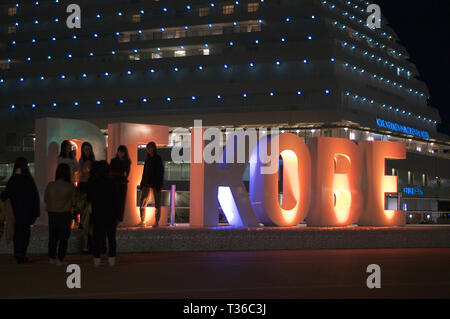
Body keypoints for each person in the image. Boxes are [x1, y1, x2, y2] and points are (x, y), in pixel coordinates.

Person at [0, 157, 40, 264]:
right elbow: (34, 197)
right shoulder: (29, 180)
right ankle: (22, 254)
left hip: (15, 213)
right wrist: (35, 213)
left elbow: (4, 196)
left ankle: (17, 254)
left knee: (17, 234)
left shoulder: (13, 180)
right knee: (25, 234)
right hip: (26, 213)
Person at [44, 163, 77, 266]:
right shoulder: (70, 187)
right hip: (64, 214)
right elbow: (74, 201)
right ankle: (60, 259)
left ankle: (52, 257)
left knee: (53, 236)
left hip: (52, 213)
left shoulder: (50, 185)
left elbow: (46, 198)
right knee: (63, 238)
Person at [87, 161, 119, 267]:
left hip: (98, 213)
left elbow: (89, 198)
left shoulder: (94, 182)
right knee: (111, 237)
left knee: (97, 237)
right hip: (110, 214)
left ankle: (97, 259)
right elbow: (116, 200)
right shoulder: (112, 182)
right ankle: (112, 259)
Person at [139, 142, 164, 227]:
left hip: (155, 184)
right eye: (147, 148)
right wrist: (142, 183)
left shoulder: (157, 158)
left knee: (157, 203)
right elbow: (144, 172)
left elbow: (160, 172)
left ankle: (156, 222)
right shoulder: (148, 159)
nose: (148, 149)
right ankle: (142, 220)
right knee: (142, 202)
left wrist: (159, 184)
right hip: (146, 183)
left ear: (153, 148)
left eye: (149, 148)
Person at [110, 145, 131, 224]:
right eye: (119, 152)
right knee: (114, 202)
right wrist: (121, 174)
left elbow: (126, 174)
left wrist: (119, 174)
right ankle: (114, 219)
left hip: (122, 184)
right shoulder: (113, 161)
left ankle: (118, 220)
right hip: (115, 184)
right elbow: (111, 172)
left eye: (122, 152)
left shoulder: (127, 162)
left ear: (125, 153)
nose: (120, 153)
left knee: (121, 203)